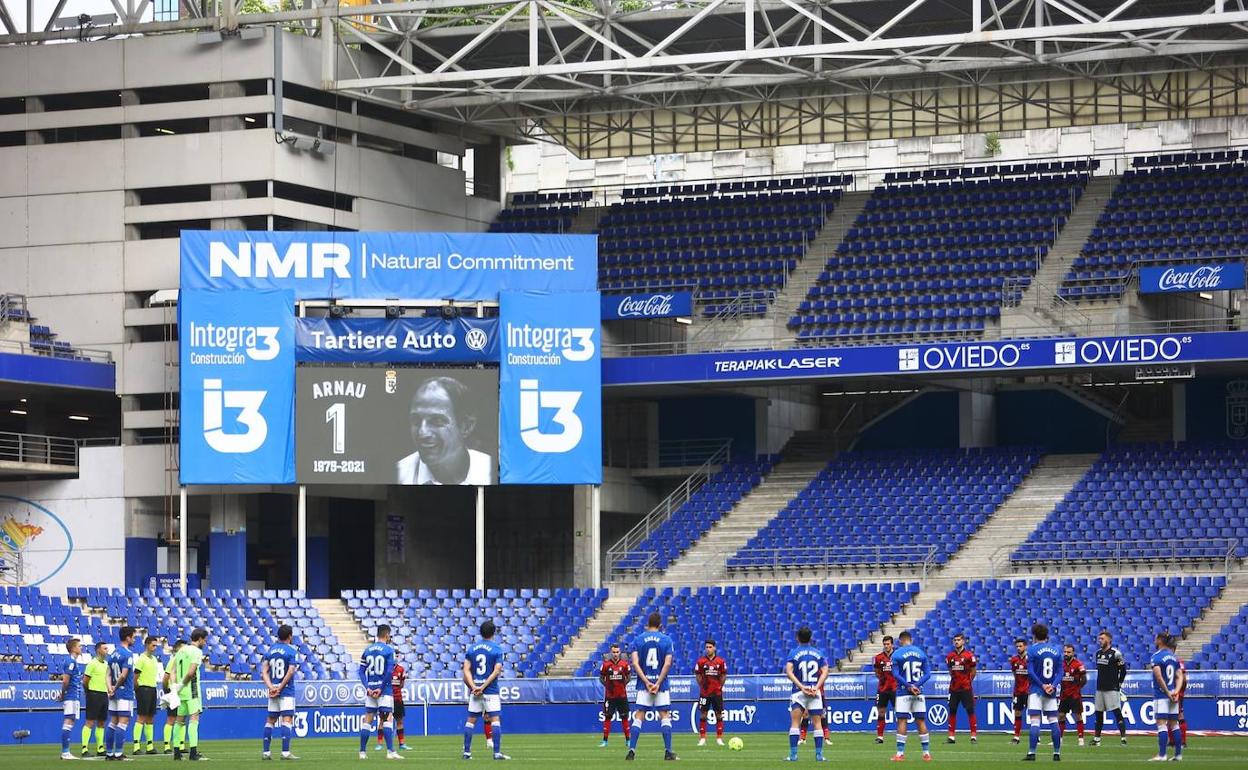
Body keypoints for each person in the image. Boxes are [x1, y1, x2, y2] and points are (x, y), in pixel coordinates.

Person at [396, 376, 494, 485]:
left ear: (466, 426)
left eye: (436, 420)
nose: (422, 433)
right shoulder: (398, 476)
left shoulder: (491, 472)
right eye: (416, 420)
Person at [627, 612, 676, 762]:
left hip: (644, 685)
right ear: (660, 624)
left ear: (647, 624)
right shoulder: (666, 640)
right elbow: (667, 663)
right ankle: (668, 752)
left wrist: (647, 682)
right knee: (665, 716)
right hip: (660, 685)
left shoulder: (638, 640)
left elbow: (635, 663)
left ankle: (631, 751)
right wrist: (657, 683)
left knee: (639, 716)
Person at [462, 620, 508, 761]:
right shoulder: (497, 649)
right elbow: (497, 671)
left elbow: (466, 670)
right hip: (491, 691)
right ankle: (496, 753)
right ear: (494, 632)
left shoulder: (472, 649)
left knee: (470, 721)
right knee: (495, 720)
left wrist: (474, 686)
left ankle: (467, 753)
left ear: (481, 632)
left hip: (475, 691)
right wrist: (483, 687)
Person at [358, 624, 402, 761]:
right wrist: (381, 689)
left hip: (371, 690)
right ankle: (390, 751)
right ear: (387, 635)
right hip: (384, 690)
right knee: (387, 718)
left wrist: (368, 688)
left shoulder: (367, 650)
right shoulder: (389, 650)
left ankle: (362, 752)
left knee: (368, 719)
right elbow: (389, 672)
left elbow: (361, 671)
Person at [784, 626, 828, 763]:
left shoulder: (793, 653)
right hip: (814, 692)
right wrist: (817, 687)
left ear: (797, 638)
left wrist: (801, 686)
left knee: (795, 723)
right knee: (817, 723)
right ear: (810, 638)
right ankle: (819, 755)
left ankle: (793, 755)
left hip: (799, 692)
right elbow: (826, 671)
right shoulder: (818, 653)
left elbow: (788, 672)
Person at [890, 630, 932, 762]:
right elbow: (928, 674)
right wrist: (916, 685)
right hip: (919, 692)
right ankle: (926, 753)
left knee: (902, 720)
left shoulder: (897, 654)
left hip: (903, 692)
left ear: (900, 641)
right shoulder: (921, 653)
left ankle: (900, 754)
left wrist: (909, 686)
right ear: (911, 640)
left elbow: (895, 675)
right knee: (920, 721)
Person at [1023, 623, 1062, 762]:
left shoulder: (1032, 650)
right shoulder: (1056, 650)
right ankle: (1057, 753)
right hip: (1051, 691)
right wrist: (1053, 685)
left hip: (1036, 690)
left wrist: (1042, 685)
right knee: (1053, 722)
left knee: (1035, 722)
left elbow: (1031, 671)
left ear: (1034, 636)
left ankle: (1032, 753)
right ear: (1047, 635)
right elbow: (1060, 672)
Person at [261, 624, 300, 761]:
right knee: (287, 719)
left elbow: (264, 672)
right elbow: (290, 671)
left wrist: (271, 687)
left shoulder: (270, 650)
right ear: (290, 636)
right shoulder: (291, 651)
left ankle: (266, 753)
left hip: (273, 690)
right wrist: (281, 687)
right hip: (286, 690)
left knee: (270, 720)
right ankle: (285, 753)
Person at [170, 626, 209, 761]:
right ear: (199, 639)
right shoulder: (196, 652)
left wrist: (175, 687)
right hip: (191, 689)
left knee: (179, 720)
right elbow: (191, 672)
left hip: (181, 693)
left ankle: (176, 752)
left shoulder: (181, 651)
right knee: (194, 719)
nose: (205, 643)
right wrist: (182, 684)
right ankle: (193, 752)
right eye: (204, 640)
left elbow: (173, 671)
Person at [1149, 632, 1183, 762]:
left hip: (1162, 695)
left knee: (1161, 724)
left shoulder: (1156, 657)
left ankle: (1162, 755)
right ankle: (1178, 755)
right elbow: (1180, 676)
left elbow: (1158, 676)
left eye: (1156, 638)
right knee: (1174, 725)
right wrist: (1176, 691)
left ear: (1159, 640)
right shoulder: (1173, 658)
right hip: (1173, 695)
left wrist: (1168, 693)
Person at [1092, 630, 1128, 746]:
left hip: (1112, 688)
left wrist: (1119, 683)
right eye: (1099, 639)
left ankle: (1123, 738)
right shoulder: (1098, 653)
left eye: (1102, 639)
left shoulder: (1116, 654)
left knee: (1117, 712)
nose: (1100, 641)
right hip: (1100, 688)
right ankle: (1097, 739)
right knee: (1098, 713)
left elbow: (1123, 670)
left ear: (1109, 640)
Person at [105, 625, 136, 760]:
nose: (134, 639)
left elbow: (107, 673)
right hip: (124, 693)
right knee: (123, 722)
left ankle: (109, 753)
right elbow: (123, 676)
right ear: (128, 638)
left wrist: (110, 688)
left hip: (114, 693)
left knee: (113, 722)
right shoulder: (127, 654)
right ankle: (118, 753)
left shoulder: (113, 654)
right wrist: (116, 688)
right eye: (133, 637)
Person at [132, 636, 164, 755]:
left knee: (150, 718)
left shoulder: (154, 659)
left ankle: (150, 746)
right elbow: (135, 677)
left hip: (152, 689)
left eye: (156, 646)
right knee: (141, 717)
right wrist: (137, 690)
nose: (155, 648)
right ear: (147, 645)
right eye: (153, 645)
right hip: (143, 689)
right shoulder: (141, 659)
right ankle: (136, 746)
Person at [944, 633, 977, 744]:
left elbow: (973, 672)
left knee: (970, 710)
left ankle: (973, 736)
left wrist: (967, 681)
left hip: (966, 687)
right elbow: (950, 671)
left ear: (963, 641)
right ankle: (951, 736)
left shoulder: (969, 656)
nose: (956, 642)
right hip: (954, 688)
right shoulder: (950, 656)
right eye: (955, 640)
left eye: (958, 640)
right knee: (952, 710)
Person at [695, 639, 728, 747]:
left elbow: (723, 675)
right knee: (703, 714)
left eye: (710, 647)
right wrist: (702, 686)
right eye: (706, 647)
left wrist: (720, 686)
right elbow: (698, 675)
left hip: (717, 693)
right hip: (705, 693)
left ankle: (719, 738)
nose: (708, 649)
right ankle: (702, 738)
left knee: (718, 714)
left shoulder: (720, 661)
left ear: (714, 648)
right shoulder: (701, 661)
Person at [598, 643, 631, 748]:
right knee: (607, 717)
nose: (615, 654)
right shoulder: (606, 665)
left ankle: (628, 741)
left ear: (619, 652)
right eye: (614, 652)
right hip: (610, 696)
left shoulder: (624, 664)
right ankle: (605, 741)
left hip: (622, 696)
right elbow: (601, 678)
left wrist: (623, 685)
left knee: (624, 717)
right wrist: (608, 686)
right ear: (611, 653)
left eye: (617, 652)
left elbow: (629, 677)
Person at [57, 637, 83, 761]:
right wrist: (63, 694)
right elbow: (66, 680)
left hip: (74, 695)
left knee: (70, 721)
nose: (81, 648)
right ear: (73, 648)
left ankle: (66, 752)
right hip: (71, 696)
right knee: (68, 721)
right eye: (79, 646)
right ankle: (65, 752)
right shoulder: (71, 662)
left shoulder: (72, 661)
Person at [82, 641, 109, 757]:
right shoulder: (92, 664)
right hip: (93, 694)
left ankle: (100, 747)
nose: (107, 651)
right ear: (98, 650)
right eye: (105, 648)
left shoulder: (106, 664)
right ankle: (84, 748)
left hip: (104, 694)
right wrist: (89, 692)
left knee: (102, 722)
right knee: (90, 721)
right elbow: (85, 681)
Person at [1058, 644, 1088, 746]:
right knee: (1061, 716)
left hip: (1074, 695)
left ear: (1073, 653)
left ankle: (1080, 739)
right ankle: (1060, 738)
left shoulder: (1078, 664)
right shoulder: (1061, 664)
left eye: (1068, 652)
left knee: (1078, 716)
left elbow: (1084, 679)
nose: (1066, 654)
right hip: (1064, 695)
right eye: (1065, 652)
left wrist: (1077, 688)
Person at [376, 660, 409, 751]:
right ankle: (379, 744)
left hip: (398, 698)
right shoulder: (384, 669)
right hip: (386, 698)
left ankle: (401, 743)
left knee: (399, 721)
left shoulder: (401, 669)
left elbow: (401, 684)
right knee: (382, 720)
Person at [872, 635, 898, 744]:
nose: (886, 646)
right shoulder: (878, 658)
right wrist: (883, 680)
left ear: (892, 644)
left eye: (888, 644)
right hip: (883, 689)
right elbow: (877, 672)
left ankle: (900, 734)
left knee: (899, 712)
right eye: (885, 644)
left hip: (895, 688)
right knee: (881, 712)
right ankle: (880, 737)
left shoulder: (897, 656)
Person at [162, 640, 186, 754]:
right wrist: (167, 691)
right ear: (177, 649)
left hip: (182, 692)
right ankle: (167, 745)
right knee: (171, 719)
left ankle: (181, 745)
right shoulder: (173, 660)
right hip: (174, 692)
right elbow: (166, 677)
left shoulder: (185, 660)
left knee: (182, 719)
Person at [1009, 638, 1029, 745]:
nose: (1018, 648)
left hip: (1029, 691)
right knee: (1017, 712)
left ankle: (1037, 736)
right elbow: (1014, 674)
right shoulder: (1014, 660)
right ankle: (1016, 736)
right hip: (1018, 690)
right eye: (1017, 646)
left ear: (1025, 646)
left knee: (1034, 713)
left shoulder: (1030, 659)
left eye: (1020, 646)